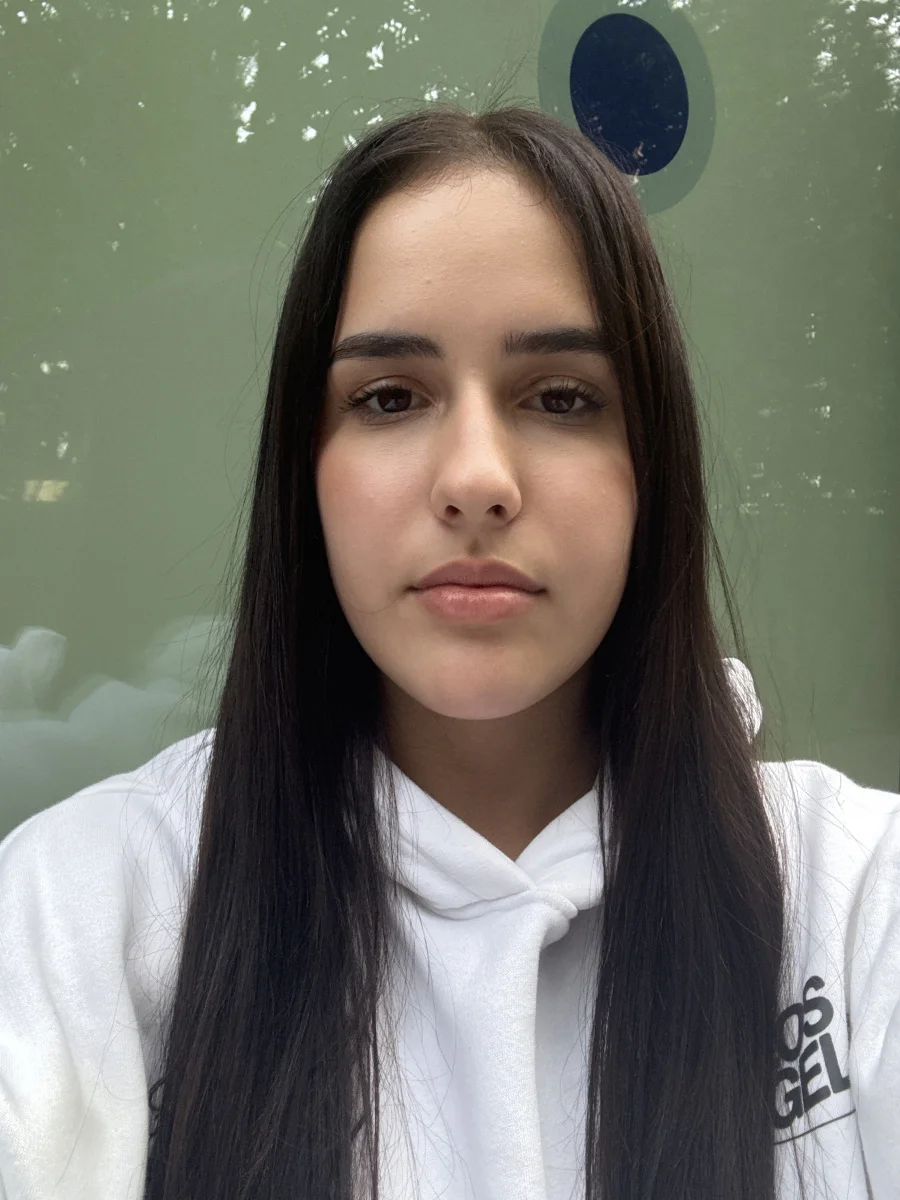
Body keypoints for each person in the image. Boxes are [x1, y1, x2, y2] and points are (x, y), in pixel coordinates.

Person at [0, 99, 897, 1200]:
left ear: (651, 466)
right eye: (388, 397)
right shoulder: (79, 914)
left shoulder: (855, 898)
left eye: (561, 397)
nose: (476, 478)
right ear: (304, 470)